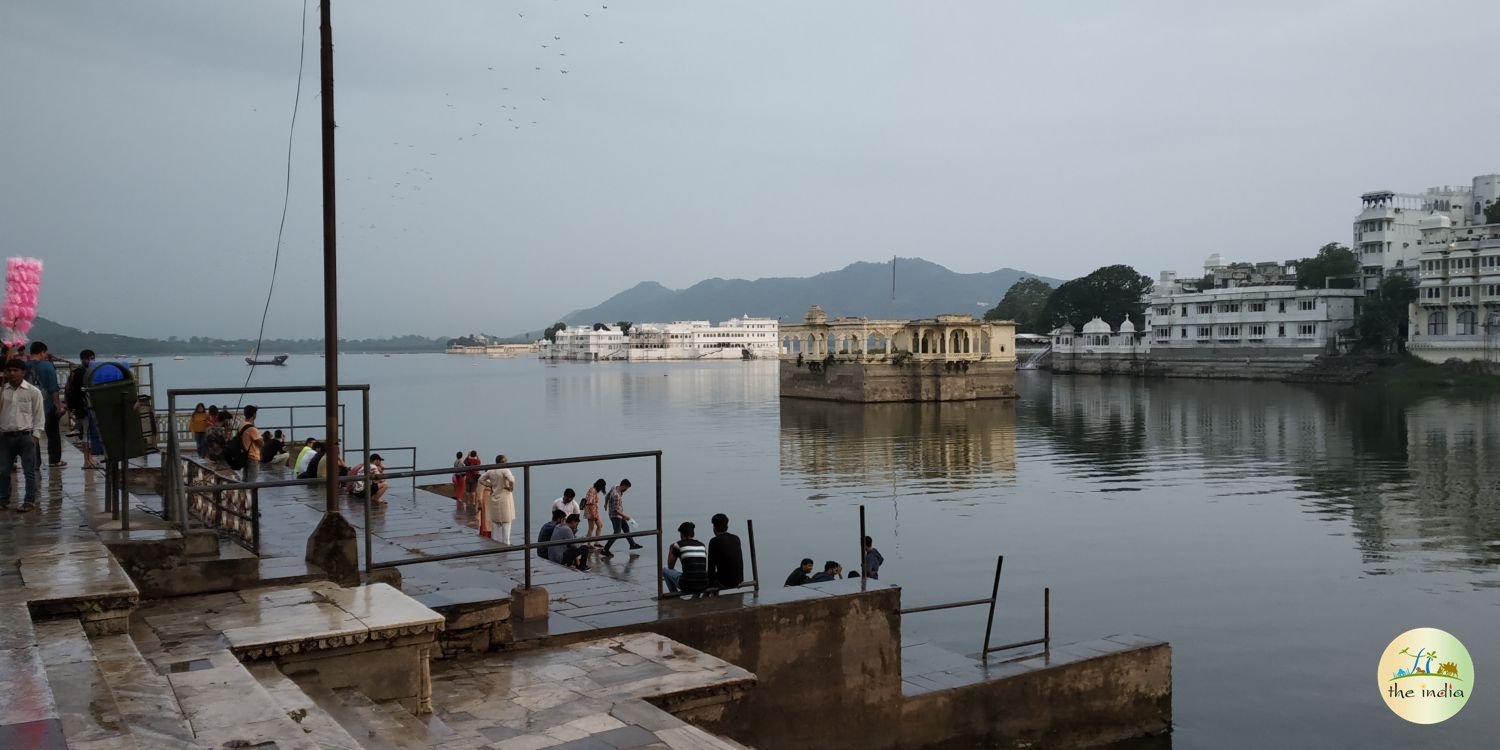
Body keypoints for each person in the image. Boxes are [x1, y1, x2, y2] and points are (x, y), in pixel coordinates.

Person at [0, 359, 45, 512]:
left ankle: (29, 499)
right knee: (4, 470)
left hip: (26, 436)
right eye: (9, 370)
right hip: (5, 436)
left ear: (23, 372)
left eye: (15, 370)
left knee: (29, 471)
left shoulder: (33, 391)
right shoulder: (2, 391)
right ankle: (3, 499)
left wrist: (36, 435)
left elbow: (39, 414)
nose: (12, 373)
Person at [26, 342, 65, 468]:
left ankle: (35, 462)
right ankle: (54, 460)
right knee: (52, 433)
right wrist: (58, 406)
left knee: (32, 433)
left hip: (28, 406)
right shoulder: (48, 366)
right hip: (47, 404)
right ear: (42, 352)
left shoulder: (24, 366)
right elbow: (53, 388)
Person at [63, 349, 101, 469]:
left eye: (92, 358)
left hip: (80, 407)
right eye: (89, 358)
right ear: (83, 359)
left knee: (86, 433)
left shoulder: (77, 371)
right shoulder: (83, 372)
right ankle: (87, 460)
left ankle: (89, 458)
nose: (91, 361)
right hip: (84, 407)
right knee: (86, 434)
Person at [477, 454, 516, 544]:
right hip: (505, 499)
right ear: (503, 462)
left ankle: (495, 549)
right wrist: (511, 488)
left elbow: (481, 479)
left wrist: (490, 485)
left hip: (494, 498)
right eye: (506, 461)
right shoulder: (505, 470)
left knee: (494, 529)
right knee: (506, 530)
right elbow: (512, 480)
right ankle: (506, 549)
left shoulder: (491, 470)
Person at [662, 521, 710, 595]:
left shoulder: (678, 545)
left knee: (665, 571)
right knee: (697, 573)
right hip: (703, 583)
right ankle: (695, 597)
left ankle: (674, 595)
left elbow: (670, 566)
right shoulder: (702, 545)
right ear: (693, 534)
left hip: (686, 584)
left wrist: (671, 549)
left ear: (681, 534)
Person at [599, 478, 642, 557]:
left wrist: (605, 504)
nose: (626, 490)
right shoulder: (616, 496)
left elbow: (607, 496)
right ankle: (605, 549)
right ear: (624, 486)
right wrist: (625, 516)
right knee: (617, 533)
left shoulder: (615, 486)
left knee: (626, 528)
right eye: (627, 488)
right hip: (615, 516)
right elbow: (615, 511)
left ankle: (632, 544)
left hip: (619, 514)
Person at [706, 513, 744, 592]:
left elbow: (711, 567)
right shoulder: (736, 538)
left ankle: (699, 599)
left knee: (704, 578)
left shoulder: (714, 541)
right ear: (727, 526)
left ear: (714, 528)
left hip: (725, 582)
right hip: (739, 579)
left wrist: (709, 583)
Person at [239, 405, 264, 485]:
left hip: (244, 455)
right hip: (252, 457)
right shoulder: (251, 428)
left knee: (245, 480)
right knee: (252, 482)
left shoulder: (241, 425)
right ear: (254, 415)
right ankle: (251, 497)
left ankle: (244, 496)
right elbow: (261, 442)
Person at [582, 478, 606, 542]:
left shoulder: (595, 491)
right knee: (591, 528)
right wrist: (593, 515)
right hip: (591, 512)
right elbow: (589, 503)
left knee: (600, 525)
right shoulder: (592, 490)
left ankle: (596, 542)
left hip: (595, 512)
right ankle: (589, 544)